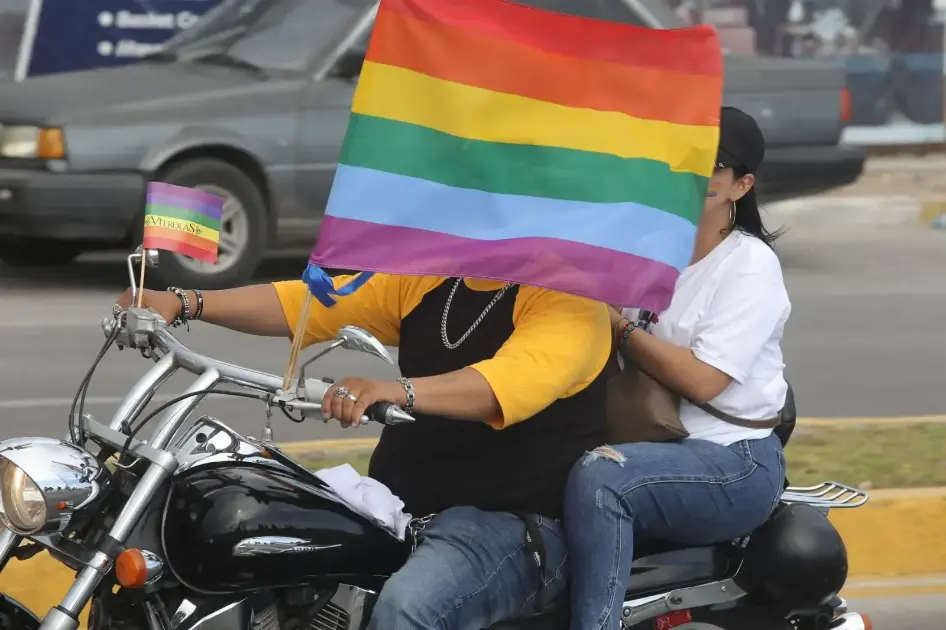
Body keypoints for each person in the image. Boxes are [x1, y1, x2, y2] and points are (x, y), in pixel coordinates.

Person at [117, 272, 613, 630]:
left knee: (407, 608)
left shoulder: (573, 301)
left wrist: (397, 391)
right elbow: (313, 302)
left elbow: (503, 386)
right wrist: (184, 300)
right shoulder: (434, 279)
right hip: (394, 506)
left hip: (512, 525)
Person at [564, 106, 789, 630]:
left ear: (741, 186)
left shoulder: (749, 265)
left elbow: (702, 380)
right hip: (655, 440)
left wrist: (619, 325)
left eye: (712, 166)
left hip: (733, 460)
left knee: (602, 478)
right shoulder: (652, 252)